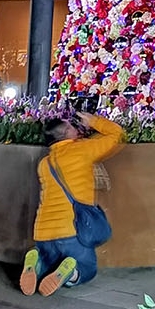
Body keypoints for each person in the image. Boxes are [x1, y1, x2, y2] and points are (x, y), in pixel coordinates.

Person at [20, 108, 125, 296]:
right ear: (67, 133)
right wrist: (92, 121)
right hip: (71, 231)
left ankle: (35, 261)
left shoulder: (44, 163)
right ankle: (71, 273)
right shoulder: (82, 151)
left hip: (43, 232)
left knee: (48, 264)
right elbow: (117, 134)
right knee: (87, 267)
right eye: (71, 126)